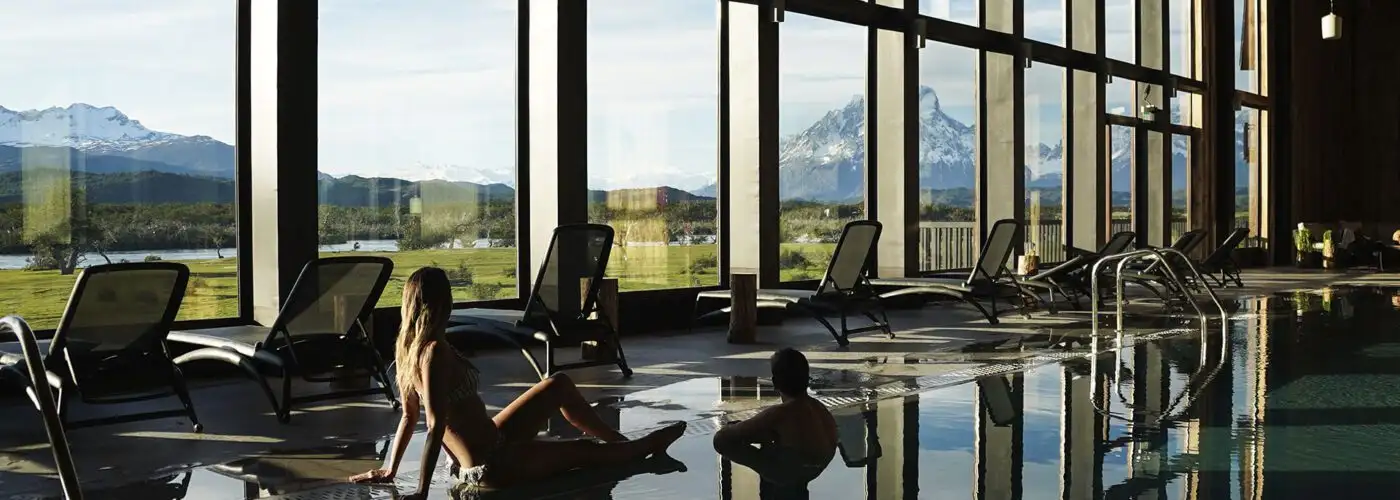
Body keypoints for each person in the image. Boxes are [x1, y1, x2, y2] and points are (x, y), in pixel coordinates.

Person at [350, 267, 685, 498]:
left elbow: (410, 417)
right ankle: (640, 448)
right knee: (585, 452)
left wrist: (390, 469)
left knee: (558, 384)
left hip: (493, 438)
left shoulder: (411, 350)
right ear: (441, 304)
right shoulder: (433, 352)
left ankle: (621, 444)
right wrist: (421, 492)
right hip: (489, 466)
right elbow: (434, 424)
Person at [712, 348, 837, 478]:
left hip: (790, 470)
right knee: (773, 433)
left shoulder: (779, 414)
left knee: (721, 441)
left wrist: (737, 428)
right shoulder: (821, 409)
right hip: (817, 468)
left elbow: (723, 437)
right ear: (807, 379)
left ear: (775, 382)